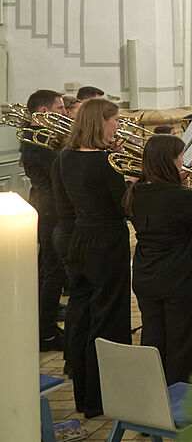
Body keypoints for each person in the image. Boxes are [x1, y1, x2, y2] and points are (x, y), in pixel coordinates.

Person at [124, 134, 192, 384]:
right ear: (169, 161)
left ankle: (156, 398)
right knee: (185, 345)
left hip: (147, 276)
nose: (183, 161)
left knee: (154, 338)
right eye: (180, 156)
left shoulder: (135, 192)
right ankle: (183, 405)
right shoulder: (182, 197)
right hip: (182, 278)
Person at [56, 98, 130, 417]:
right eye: (114, 120)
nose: (118, 125)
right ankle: (105, 398)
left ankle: (84, 397)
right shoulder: (108, 162)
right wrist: (131, 179)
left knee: (81, 315)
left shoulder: (65, 157)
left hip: (78, 239)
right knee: (109, 319)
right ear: (101, 122)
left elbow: (63, 208)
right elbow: (123, 208)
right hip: (108, 241)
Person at [22, 89, 68, 351]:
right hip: (50, 210)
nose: (64, 113)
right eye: (60, 108)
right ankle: (46, 333)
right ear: (44, 112)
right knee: (53, 273)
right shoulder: (35, 139)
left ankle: (45, 326)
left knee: (49, 271)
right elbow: (60, 170)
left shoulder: (39, 136)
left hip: (50, 207)